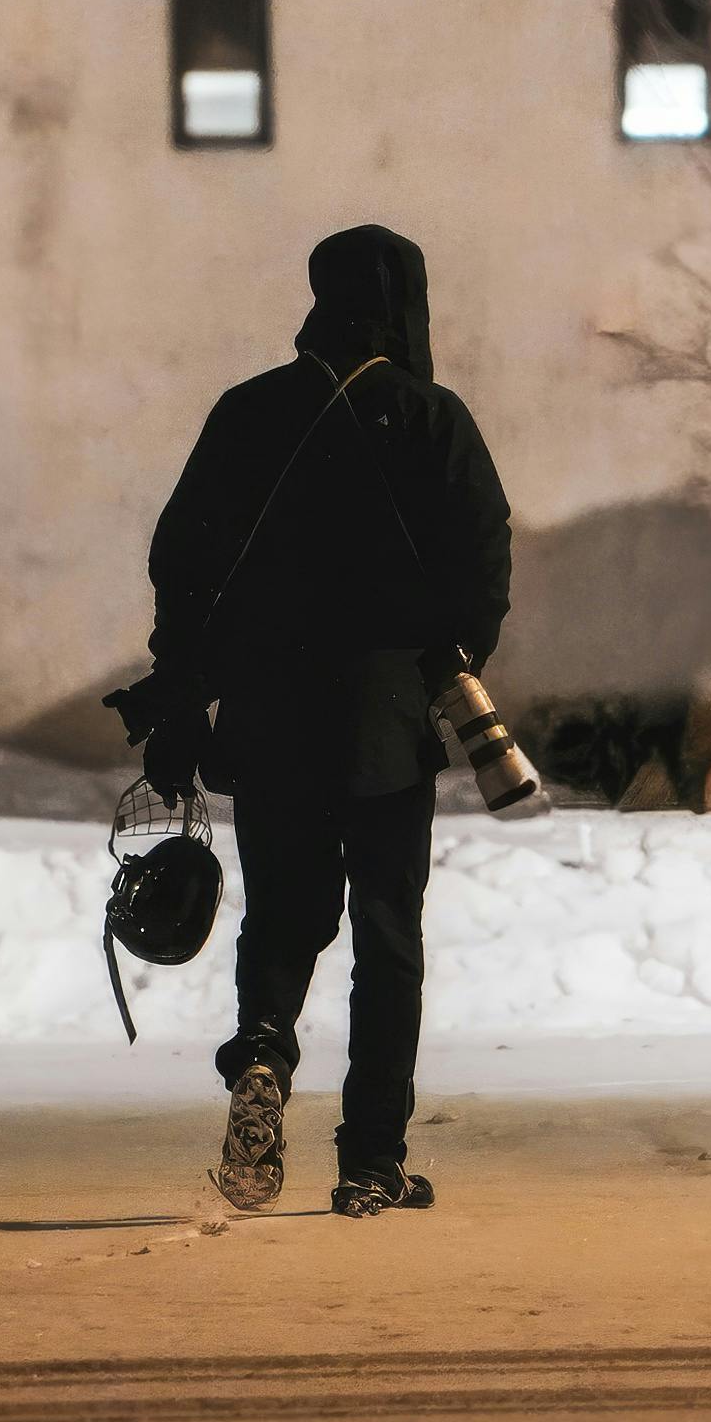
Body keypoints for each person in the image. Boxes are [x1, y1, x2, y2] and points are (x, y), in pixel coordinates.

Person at [111, 225, 512, 1219]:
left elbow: (185, 560)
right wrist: (453, 660)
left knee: (284, 915)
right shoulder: (431, 418)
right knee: (387, 937)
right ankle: (371, 1157)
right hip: (384, 722)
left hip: (269, 716)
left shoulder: (249, 414)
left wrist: (181, 687)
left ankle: (261, 1051)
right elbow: (483, 560)